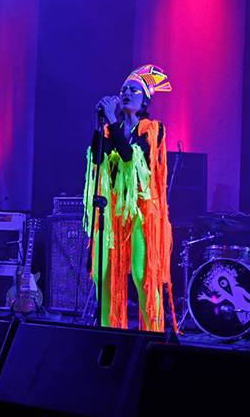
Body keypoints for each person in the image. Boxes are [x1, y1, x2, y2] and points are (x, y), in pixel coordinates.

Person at [83, 64, 176, 332]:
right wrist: (102, 124)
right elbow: (97, 159)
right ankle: (107, 332)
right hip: (114, 211)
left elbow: (129, 156)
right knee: (102, 273)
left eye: (133, 90)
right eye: (123, 89)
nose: (125, 93)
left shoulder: (153, 129)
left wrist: (112, 122)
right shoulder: (110, 131)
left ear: (145, 100)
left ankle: (153, 335)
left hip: (142, 212)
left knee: (141, 274)